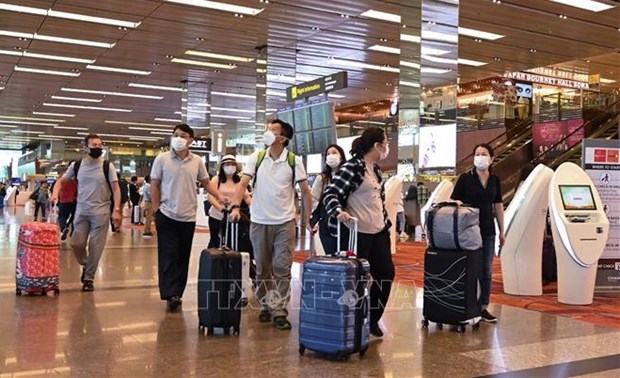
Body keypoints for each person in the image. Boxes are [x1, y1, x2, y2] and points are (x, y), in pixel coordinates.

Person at [230, 119, 313, 330]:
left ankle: (279, 310)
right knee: (262, 269)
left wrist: (307, 220)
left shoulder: (294, 161)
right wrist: (235, 207)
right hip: (259, 221)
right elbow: (242, 184)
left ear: (283, 138)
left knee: (282, 267)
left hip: (285, 222)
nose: (268, 133)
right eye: (268, 129)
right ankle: (266, 303)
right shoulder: (256, 158)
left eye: (273, 131)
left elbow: (305, 192)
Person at [323, 127, 395, 338]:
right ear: (376, 146)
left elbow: (376, 201)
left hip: (378, 231)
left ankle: (371, 318)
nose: (387, 146)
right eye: (385, 142)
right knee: (357, 279)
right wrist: (339, 211)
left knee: (386, 274)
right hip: (357, 233)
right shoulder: (353, 167)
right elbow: (331, 193)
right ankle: (351, 320)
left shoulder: (375, 169)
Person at [150, 124, 224, 312]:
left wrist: (220, 196)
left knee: (183, 255)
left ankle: (178, 292)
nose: (178, 138)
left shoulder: (197, 160)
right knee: (168, 255)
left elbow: (206, 182)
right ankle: (169, 293)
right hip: (166, 214)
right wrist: (157, 209)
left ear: (191, 140)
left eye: (183, 136)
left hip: (188, 216)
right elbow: (155, 184)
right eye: (175, 135)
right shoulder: (162, 159)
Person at [52, 134, 122, 292]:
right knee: (76, 243)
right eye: (94, 145)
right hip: (82, 212)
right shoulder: (77, 166)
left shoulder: (107, 166)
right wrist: (55, 193)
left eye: (100, 145)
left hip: (101, 212)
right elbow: (61, 181)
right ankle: (86, 264)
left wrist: (117, 210)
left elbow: (116, 189)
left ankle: (89, 278)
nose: (97, 148)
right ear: (85, 148)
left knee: (95, 247)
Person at [450, 143, 505, 323]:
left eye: (483, 154)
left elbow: (498, 206)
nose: (480, 157)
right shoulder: (465, 178)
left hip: (488, 230)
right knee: (469, 267)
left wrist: (502, 231)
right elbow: (454, 201)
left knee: (486, 270)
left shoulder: (495, 179)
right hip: (469, 230)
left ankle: (483, 307)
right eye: (477, 154)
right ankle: (466, 305)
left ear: (491, 158)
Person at [207, 155, 252, 249]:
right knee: (216, 239)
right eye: (227, 164)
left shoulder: (239, 181)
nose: (230, 166)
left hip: (233, 216)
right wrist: (219, 208)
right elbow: (210, 197)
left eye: (232, 164)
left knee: (232, 240)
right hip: (217, 216)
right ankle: (215, 260)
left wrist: (253, 207)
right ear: (222, 167)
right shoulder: (216, 179)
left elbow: (246, 196)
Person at [310, 144, 346, 255]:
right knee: (331, 254)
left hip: (345, 221)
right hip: (327, 223)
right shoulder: (322, 178)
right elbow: (314, 199)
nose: (331, 156)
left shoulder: (348, 176)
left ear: (341, 156)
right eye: (328, 154)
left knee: (346, 255)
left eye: (334, 153)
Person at [56, 172, 77, 240]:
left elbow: (58, 187)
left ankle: (64, 228)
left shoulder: (63, 175)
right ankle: (73, 233)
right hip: (75, 200)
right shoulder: (77, 176)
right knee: (75, 218)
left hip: (64, 200)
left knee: (62, 217)